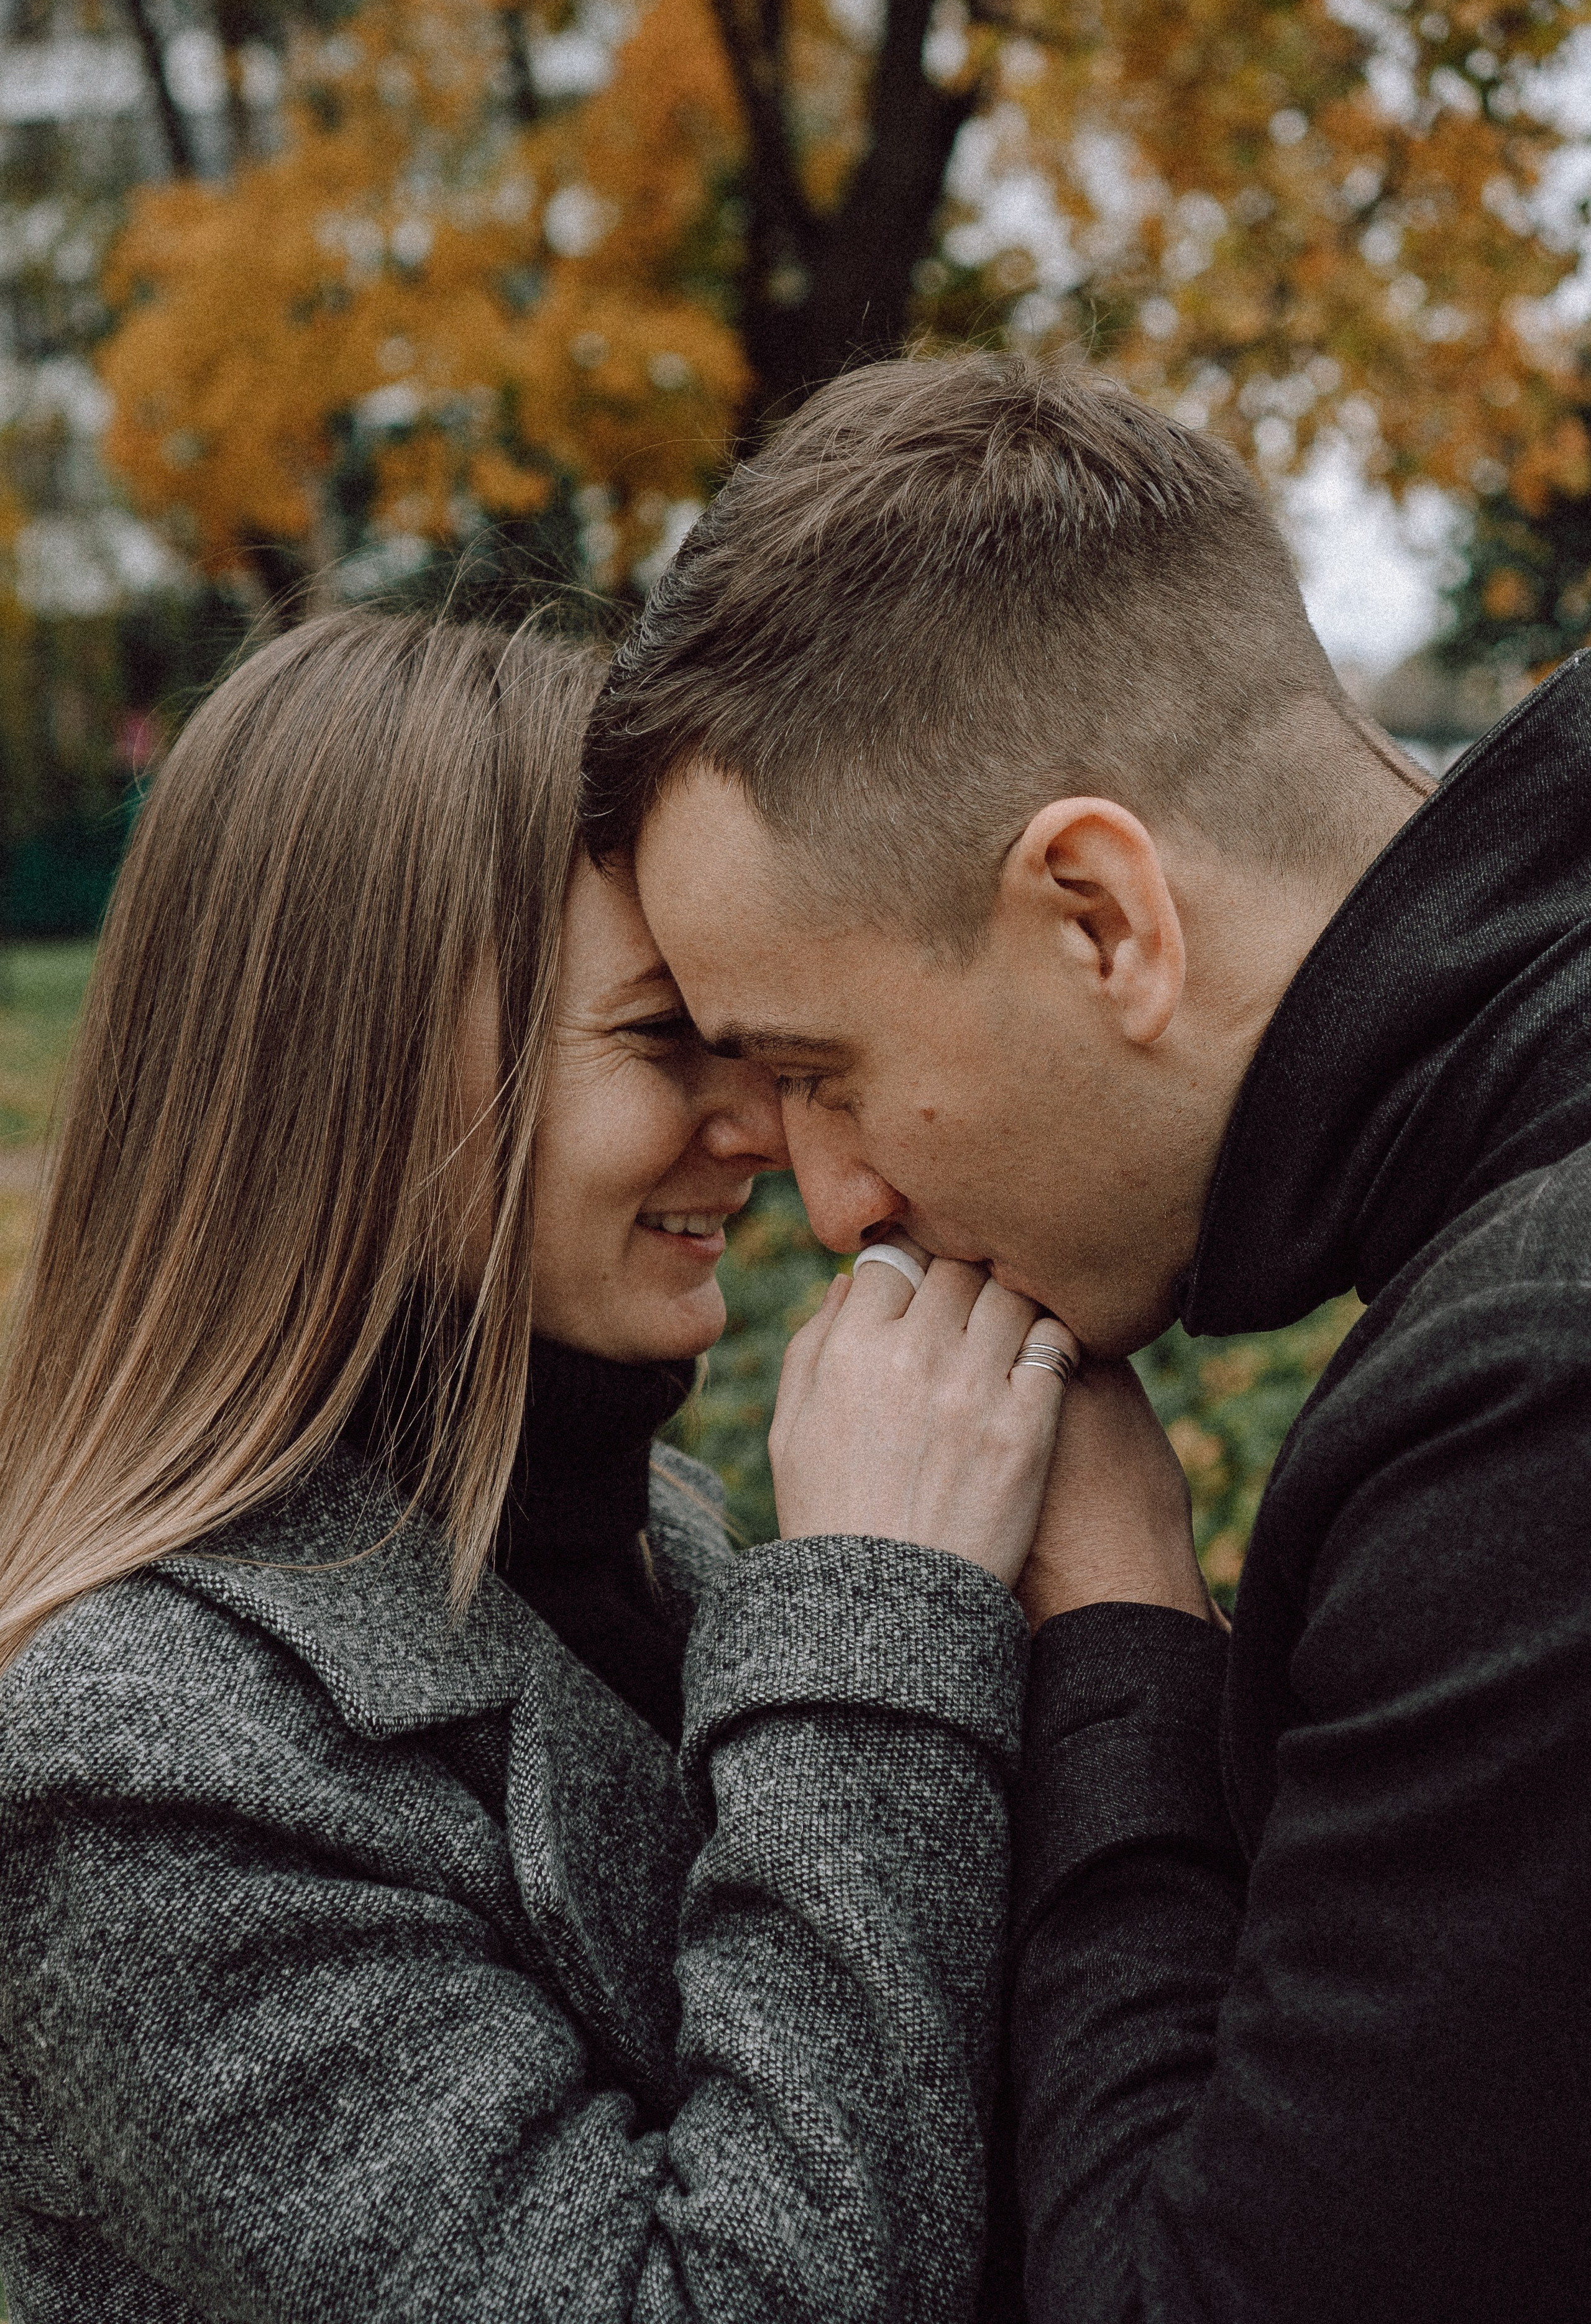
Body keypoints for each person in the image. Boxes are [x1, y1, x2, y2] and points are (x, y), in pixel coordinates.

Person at [580, 350, 1591, 2323]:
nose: (834, 1202)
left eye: (819, 1070)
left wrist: (1117, 1625)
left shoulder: (1533, 1408)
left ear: (1104, 918)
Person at [0, 606, 1076, 2322]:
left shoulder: (655, 1550)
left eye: (748, 1038)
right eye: (661, 1040)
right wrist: (881, 1621)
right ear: (357, 1074)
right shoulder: (152, 1756)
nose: (764, 1131)